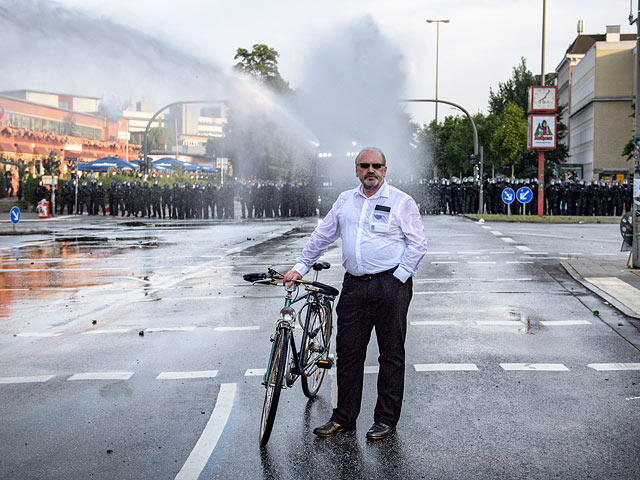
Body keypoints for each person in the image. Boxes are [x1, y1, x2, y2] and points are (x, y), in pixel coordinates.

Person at [283, 147, 427, 440]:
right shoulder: (345, 201)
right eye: (364, 165)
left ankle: (385, 420)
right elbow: (322, 235)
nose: (370, 170)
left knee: (391, 354)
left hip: (391, 285)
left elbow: (417, 244)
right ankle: (344, 418)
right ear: (356, 170)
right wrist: (300, 266)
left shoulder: (401, 201)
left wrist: (397, 279)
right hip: (355, 286)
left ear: (385, 170)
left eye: (376, 165)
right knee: (348, 354)